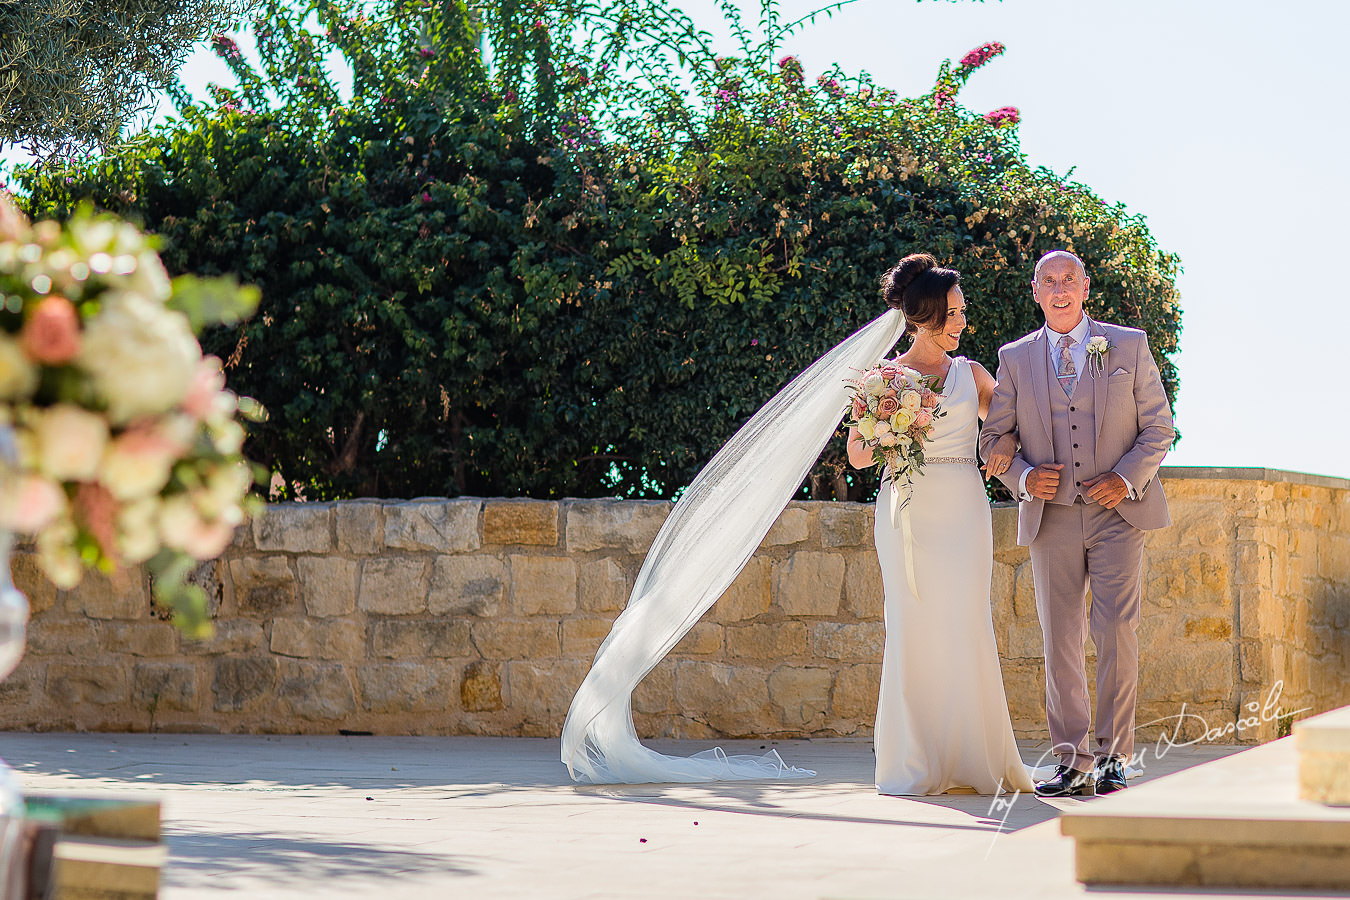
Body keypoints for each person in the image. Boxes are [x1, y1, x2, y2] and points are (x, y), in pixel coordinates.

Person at [979, 250, 1173, 797]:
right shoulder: (1015, 358)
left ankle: (1114, 756)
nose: (1060, 289)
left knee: (1115, 630)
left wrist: (1126, 478)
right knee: (1059, 637)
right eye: (1049, 281)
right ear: (1035, 292)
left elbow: (1159, 427)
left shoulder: (1127, 345)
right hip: (1053, 519)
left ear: (1085, 287)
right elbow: (993, 439)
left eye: (1069, 280)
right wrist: (1020, 478)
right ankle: (1073, 759)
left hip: (1118, 513)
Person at [848, 253, 1034, 796]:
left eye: (961, 312)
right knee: (911, 625)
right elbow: (859, 457)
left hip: (962, 507)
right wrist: (892, 433)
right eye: (953, 313)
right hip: (905, 510)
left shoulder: (971, 374)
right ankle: (916, 760)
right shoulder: (884, 380)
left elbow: (1010, 429)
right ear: (923, 316)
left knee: (967, 621)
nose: (962, 322)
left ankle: (976, 759)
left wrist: (1002, 450)